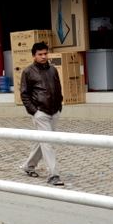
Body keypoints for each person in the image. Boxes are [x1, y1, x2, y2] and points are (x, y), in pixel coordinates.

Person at [19, 41, 65, 186]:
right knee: (48, 143)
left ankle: (28, 166)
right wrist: (34, 111)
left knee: (42, 141)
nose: (44, 56)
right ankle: (54, 175)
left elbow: (58, 87)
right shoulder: (28, 72)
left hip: (54, 111)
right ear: (34, 56)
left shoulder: (53, 70)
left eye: (45, 53)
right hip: (41, 113)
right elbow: (24, 94)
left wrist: (59, 106)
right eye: (40, 54)